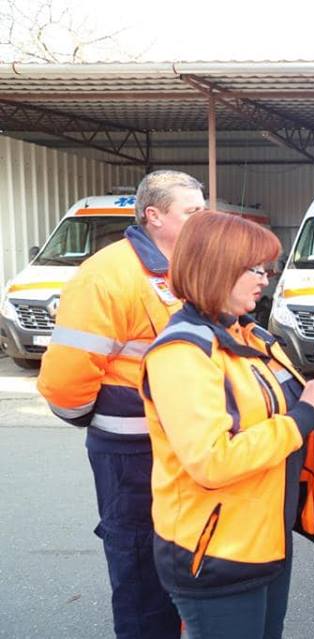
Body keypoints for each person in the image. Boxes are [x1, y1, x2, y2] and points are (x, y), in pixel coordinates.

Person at [141, 212, 314, 638]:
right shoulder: (183, 353)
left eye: (266, 269)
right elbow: (213, 461)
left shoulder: (250, 335)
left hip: (265, 539)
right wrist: (307, 413)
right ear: (215, 267)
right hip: (218, 552)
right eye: (254, 269)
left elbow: (288, 405)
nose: (264, 279)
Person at [37, 170, 206, 639]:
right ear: (154, 216)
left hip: (185, 451)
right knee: (139, 569)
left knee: (179, 561)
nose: (203, 219)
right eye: (192, 211)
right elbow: (65, 382)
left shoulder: (187, 269)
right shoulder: (106, 275)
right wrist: (103, 420)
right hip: (131, 454)